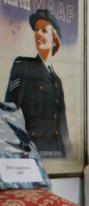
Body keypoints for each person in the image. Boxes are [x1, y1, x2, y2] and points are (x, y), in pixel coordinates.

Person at [6, 9, 71, 158]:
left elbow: (62, 124)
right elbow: (10, 112)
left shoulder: (57, 80)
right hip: (33, 151)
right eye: (36, 30)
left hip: (57, 152)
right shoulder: (23, 66)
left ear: (54, 39)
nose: (38, 34)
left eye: (44, 30)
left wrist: (68, 155)